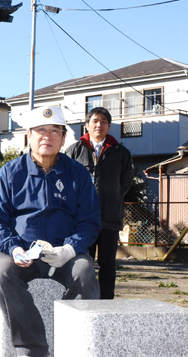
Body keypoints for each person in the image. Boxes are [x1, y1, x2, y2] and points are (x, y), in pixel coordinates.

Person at [0, 106, 101, 357]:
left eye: (55, 130)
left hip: (64, 251)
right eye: (41, 130)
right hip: (21, 250)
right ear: (29, 135)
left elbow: (90, 222)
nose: (47, 136)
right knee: (1, 274)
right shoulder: (10, 173)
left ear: (64, 137)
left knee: (84, 272)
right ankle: (32, 348)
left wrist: (69, 249)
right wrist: (13, 247)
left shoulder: (78, 174)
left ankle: (73, 344)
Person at [64, 107, 134, 300]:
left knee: (107, 263)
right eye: (95, 121)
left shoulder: (121, 152)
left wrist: (112, 195)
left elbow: (126, 182)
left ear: (109, 126)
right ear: (87, 125)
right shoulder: (74, 150)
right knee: (81, 262)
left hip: (109, 218)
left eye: (103, 121)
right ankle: (82, 300)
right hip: (81, 219)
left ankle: (106, 301)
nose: (99, 125)